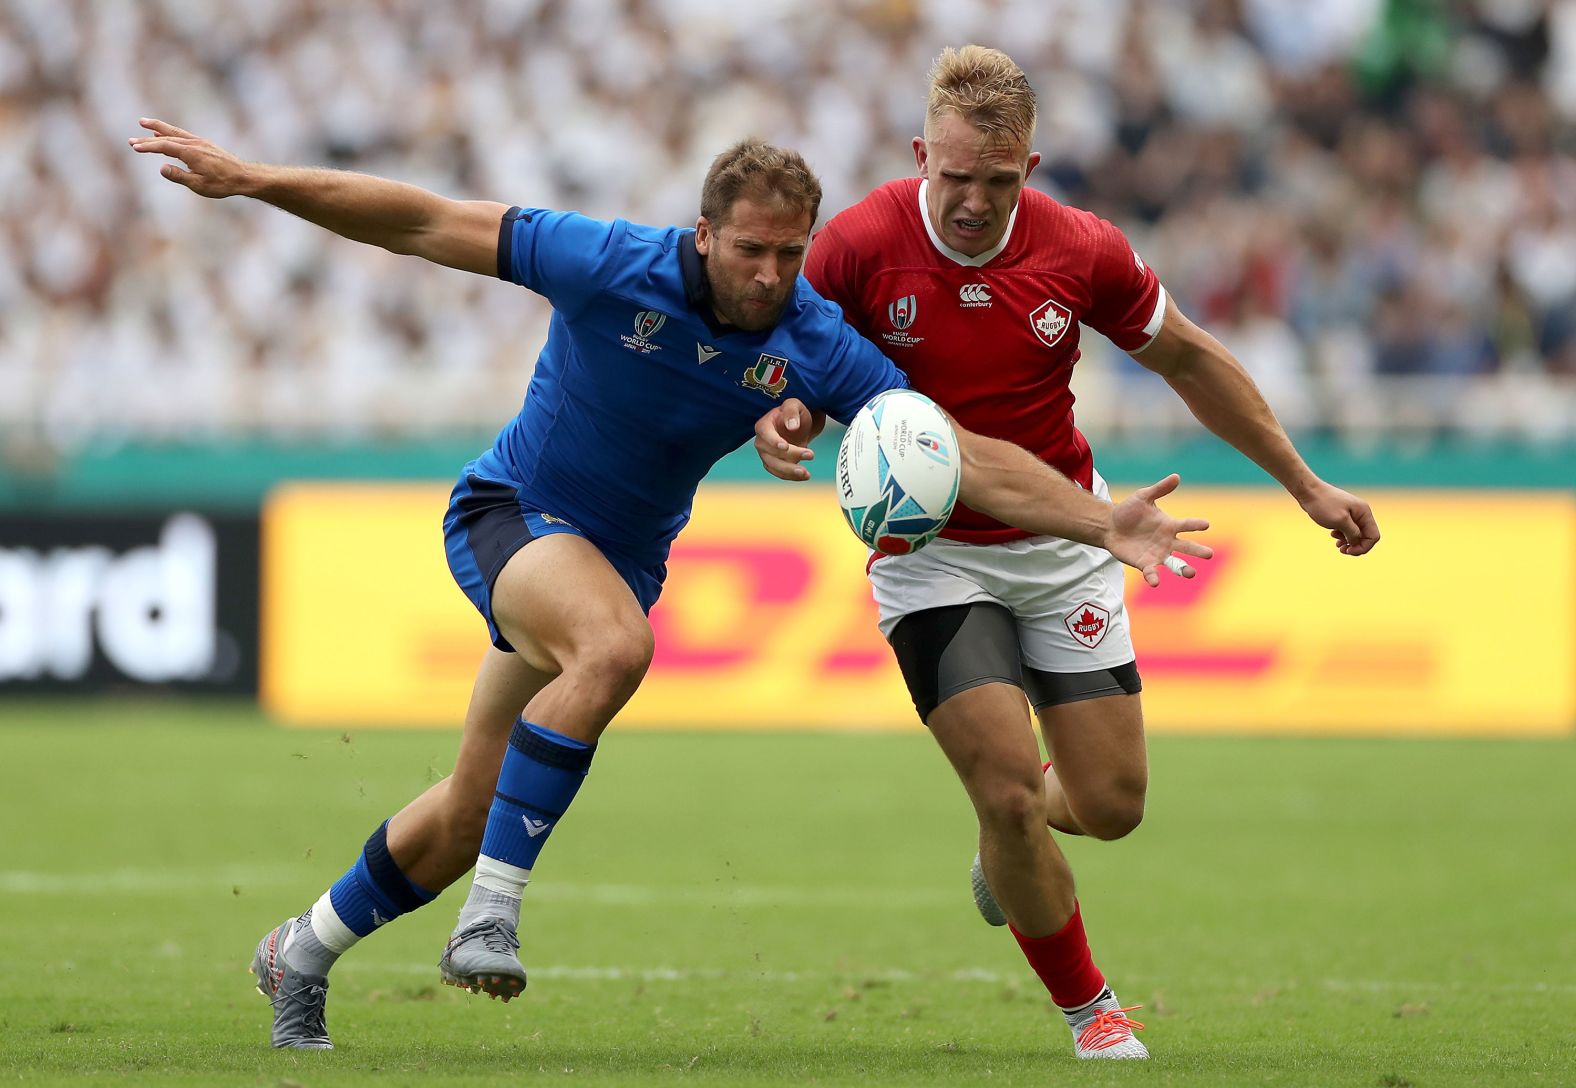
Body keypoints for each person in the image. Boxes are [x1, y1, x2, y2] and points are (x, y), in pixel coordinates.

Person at [129, 118, 1212, 1050]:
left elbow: (954, 448)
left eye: (790, 253)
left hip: (610, 565)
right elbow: (420, 220)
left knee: (467, 810)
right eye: (749, 250)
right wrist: (257, 180)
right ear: (704, 233)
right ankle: (493, 917)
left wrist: (1094, 516)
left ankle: (297, 948)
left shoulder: (812, 338)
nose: (768, 274)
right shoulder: (605, 260)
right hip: (511, 514)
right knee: (613, 649)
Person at [754, 45, 1380, 1061]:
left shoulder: (1080, 248)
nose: (970, 201)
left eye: (996, 182)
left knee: (1108, 806)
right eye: (953, 177)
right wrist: (781, 415)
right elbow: (791, 361)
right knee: (1004, 783)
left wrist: (1304, 482)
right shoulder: (859, 244)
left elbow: (1188, 357)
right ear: (923, 154)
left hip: (1067, 538)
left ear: (1029, 169)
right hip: (932, 557)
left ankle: (1007, 849)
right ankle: (1094, 1009)